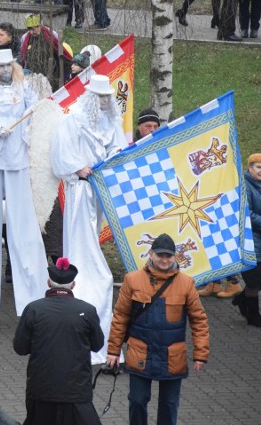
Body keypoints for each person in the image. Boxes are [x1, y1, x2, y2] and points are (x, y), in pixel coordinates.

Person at [0, 50, 47, 325]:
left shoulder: (23, 87)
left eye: (7, 66)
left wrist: (25, 123)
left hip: (17, 158)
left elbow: (34, 116)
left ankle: (32, 299)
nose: (3, 70)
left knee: (23, 228)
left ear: (13, 66)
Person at [50, 75, 125, 363]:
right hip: (82, 188)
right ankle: (88, 279)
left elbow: (117, 145)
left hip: (100, 187)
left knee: (93, 231)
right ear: (91, 97)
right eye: (101, 97)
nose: (105, 102)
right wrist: (79, 168)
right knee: (82, 240)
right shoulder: (73, 120)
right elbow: (61, 154)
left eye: (108, 97)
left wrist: (112, 159)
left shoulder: (110, 121)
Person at [106, 234, 209, 425]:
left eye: (168, 256)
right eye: (160, 255)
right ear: (151, 254)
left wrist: (200, 354)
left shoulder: (186, 284)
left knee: (169, 405)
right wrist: (113, 350)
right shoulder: (132, 280)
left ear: (175, 257)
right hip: (140, 353)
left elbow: (199, 321)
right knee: (137, 401)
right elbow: (120, 317)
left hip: (172, 356)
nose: (164, 260)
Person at [13, 258, 104, 425]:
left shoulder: (33, 309)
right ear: (73, 285)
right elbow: (98, 345)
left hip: (41, 389)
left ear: (48, 282)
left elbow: (20, 347)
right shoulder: (87, 310)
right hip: (76, 390)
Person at [233, 153, 261, 328]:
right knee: (254, 278)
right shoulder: (245, 186)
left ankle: (242, 298)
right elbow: (247, 214)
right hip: (252, 238)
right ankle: (252, 314)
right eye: (258, 167)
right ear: (250, 168)